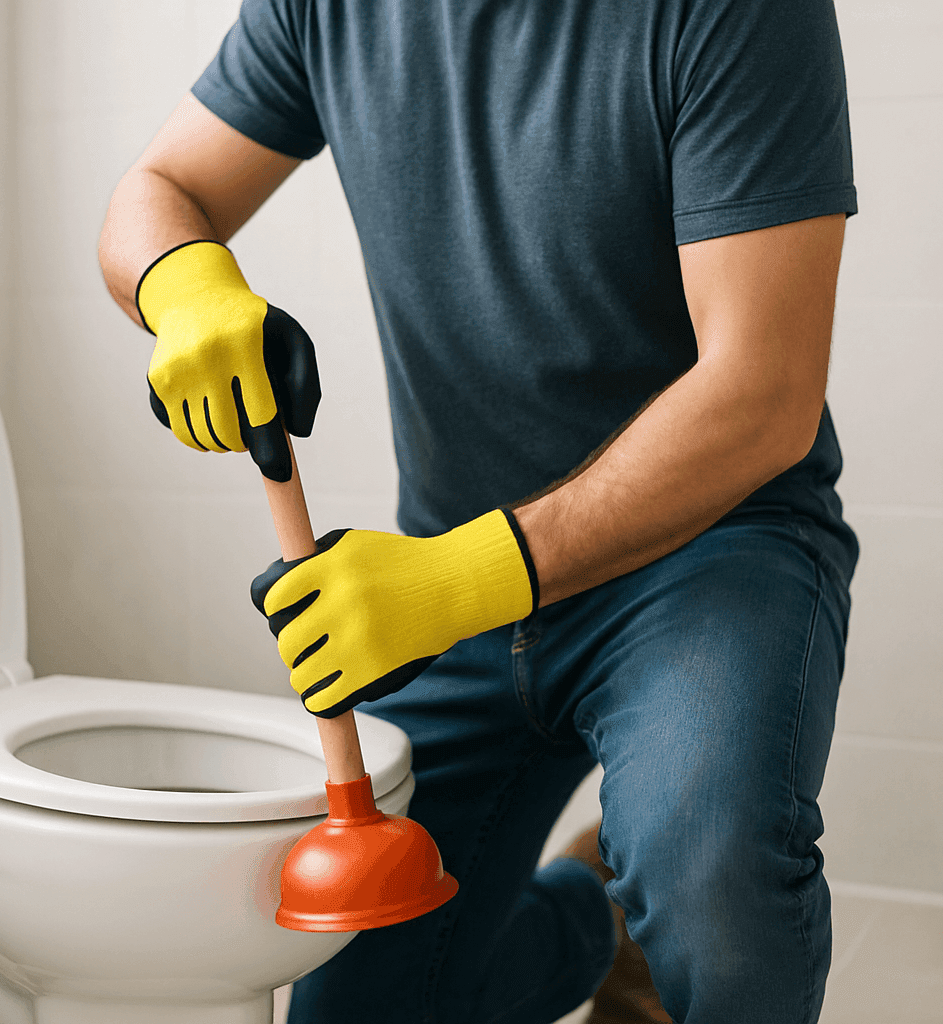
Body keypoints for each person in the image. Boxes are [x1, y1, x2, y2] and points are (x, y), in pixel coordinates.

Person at [98, 1, 859, 1021]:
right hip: (449, 586)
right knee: (360, 1001)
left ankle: (657, 905)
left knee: (711, 872)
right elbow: (162, 187)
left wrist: (467, 578)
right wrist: (182, 283)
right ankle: (599, 923)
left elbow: (765, 392)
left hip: (705, 554)